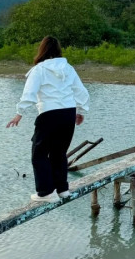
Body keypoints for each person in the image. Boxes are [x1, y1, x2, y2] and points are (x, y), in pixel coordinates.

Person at [7, 36, 89, 203]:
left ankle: (45, 192)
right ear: (58, 50)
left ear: (42, 50)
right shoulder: (68, 68)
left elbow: (29, 93)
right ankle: (62, 189)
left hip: (49, 113)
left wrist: (19, 113)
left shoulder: (39, 70)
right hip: (68, 113)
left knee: (39, 153)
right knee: (59, 152)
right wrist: (80, 111)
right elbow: (81, 92)